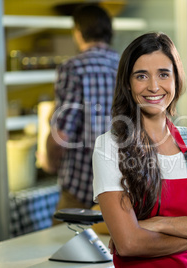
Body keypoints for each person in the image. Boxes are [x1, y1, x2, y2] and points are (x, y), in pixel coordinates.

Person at [92, 32, 187, 267]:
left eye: (163, 74)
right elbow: (129, 244)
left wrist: (160, 223)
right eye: (141, 76)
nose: (153, 86)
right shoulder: (109, 147)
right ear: (128, 85)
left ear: (176, 80)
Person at [40, 4, 120, 218]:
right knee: (110, 247)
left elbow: (61, 134)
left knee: (63, 247)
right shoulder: (125, 66)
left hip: (81, 185)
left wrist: (48, 161)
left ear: (78, 31)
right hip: (120, 183)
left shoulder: (73, 68)